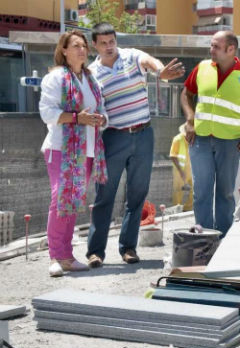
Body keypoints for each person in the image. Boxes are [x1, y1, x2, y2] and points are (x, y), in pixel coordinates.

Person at [86, 22, 185, 267]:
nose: (110, 47)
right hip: (113, 138)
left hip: (143, 135)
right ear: (95, 45)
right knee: (104, 196)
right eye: (104, 43)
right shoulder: (92, 73)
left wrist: (161, 71)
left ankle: (128, 248)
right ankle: (95, 252)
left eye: (112, 41)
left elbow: (150, 62)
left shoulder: (131, 56)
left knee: (137, 194)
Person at [180, 30, 240, 235]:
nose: (211, 49)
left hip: (230, 143)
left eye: (215, 46)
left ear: (231, 49)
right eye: (211, 45)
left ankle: (222, 237)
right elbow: (186, 93)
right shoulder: (203, 68)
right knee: (201, 192)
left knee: (224, 193)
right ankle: (204, 236)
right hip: (201, 139)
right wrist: (190, 119)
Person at [39, 30, 108, 277]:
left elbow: (101, 110)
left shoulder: (91, 79)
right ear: (64, 50)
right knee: (60, 198)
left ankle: (67, 256)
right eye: (75, 45)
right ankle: (55, 256)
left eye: (84, 46)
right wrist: (79, 118)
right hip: (61, 148)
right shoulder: (56, 77)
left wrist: (101, 119)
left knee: (73, 202)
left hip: (87, 151)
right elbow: (47, 113)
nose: (81, 49)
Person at [169, 123, 193, 211]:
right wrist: (181, 171)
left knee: (194, 191)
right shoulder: (178, 139)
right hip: (179, 171)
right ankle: (177, 210)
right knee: (178, 192)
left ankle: (187, 208)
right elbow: (173, 156)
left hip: (191, 170)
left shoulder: (193, 139)